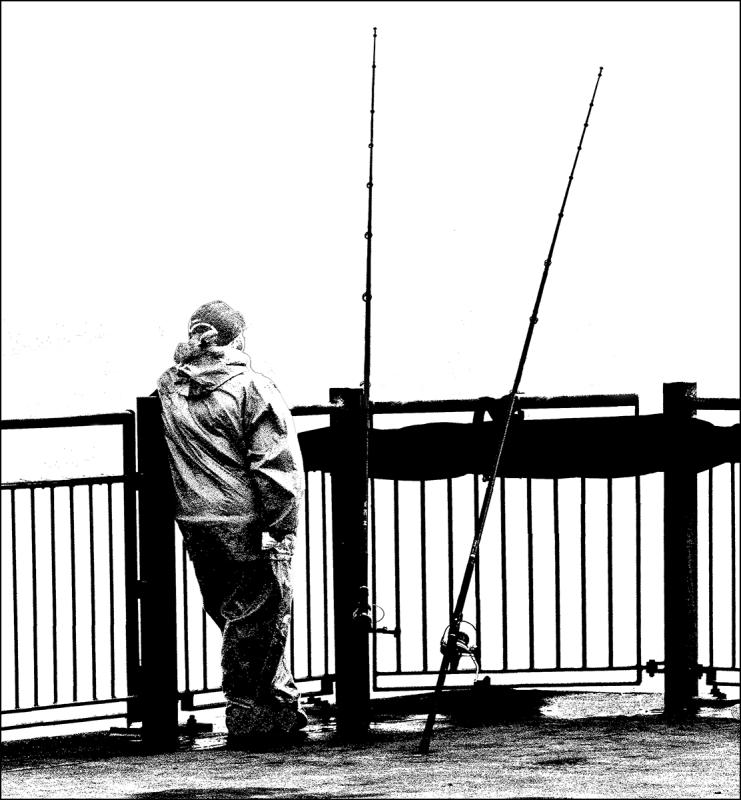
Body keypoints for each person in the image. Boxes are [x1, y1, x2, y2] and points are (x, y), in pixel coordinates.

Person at [157, 300, 307, 748]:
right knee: (261, 614)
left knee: (237, 617)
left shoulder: (169, 385)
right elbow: (274, 465)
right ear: (237, 338)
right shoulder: (251, 387)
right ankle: (248, 715)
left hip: (196, 520)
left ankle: (277, 706)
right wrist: (282, 523)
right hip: (247, 520)